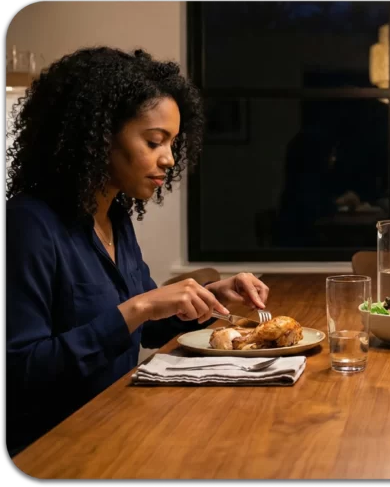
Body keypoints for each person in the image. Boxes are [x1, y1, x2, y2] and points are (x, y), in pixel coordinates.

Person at [2, 47, 270, 455]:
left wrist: (213, 293)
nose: (168, 159)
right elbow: (22, 370)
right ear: (97, 135)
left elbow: (149, 324)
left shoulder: (115, 216)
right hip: (54, 449)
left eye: (173, 143)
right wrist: (140, 307)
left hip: (118, 423)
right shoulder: (27, 224)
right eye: (154, 141)